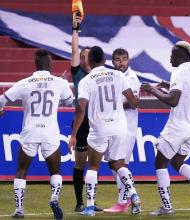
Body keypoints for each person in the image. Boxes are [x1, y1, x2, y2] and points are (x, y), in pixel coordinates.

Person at [0, 49, 73, 220]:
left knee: (22, 171)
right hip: (50, 132)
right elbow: (70, 102)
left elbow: (1, 99)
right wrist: (62, 88)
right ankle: (54, 197)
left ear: (35, 64)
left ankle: (19, 209)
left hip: (30, 131)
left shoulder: (25, 83)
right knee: (56, 171)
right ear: (50, 64)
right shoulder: (60, 82)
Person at [141, 41, 190, 216]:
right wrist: (170, 85)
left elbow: (173, 100)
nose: (170, 57)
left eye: (172, 54)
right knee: (177, 162)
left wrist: (152, 90)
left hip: (177, 127)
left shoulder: (179, 71)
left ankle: (166, 207)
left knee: (160, 163)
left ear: (180, 56)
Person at [68, 46, 142, 216]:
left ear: (89, 61)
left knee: (93, 167)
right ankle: (134, 195)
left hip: (99, 127)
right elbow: (133, 102)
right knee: (117, 164)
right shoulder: (118, 75)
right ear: (104, 60)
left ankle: (89, 207)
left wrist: (73, 134)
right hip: (119, 127)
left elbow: (80, 108)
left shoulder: (88, 80)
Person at [70, 14, 102, 213]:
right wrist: (75, 30)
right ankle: (79, 202)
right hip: (82, 123)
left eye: (85, 56)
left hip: (98, 122)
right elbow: (74, 49)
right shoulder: (77, 73)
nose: (82, 58)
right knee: (80, 163)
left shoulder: (101, 74)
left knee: (94, 164)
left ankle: (91, 202)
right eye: (80, 56)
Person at [103, 48, 141, 213]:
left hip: (127, 128)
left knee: (120, 164)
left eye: (124, 59)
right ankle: (126, 199)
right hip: (116, 127)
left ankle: (125, 201)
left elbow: (133, 103)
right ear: (112, 62)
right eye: (118, 59)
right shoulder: (113, 77)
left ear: (128, 60)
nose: (121, 62)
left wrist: (110, 104)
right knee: (114, 164)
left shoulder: (131, 78)